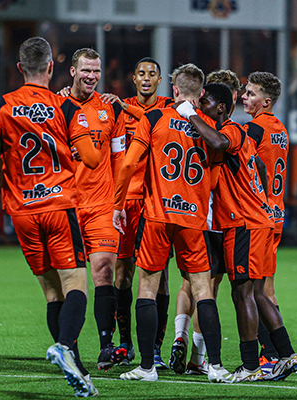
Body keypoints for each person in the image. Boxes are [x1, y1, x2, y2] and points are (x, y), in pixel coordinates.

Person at [0, 37, 100, 397]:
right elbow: (93, 159)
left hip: (22, 212)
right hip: (59, 207)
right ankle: (66, 348)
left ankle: (77, 369)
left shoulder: (0, 106)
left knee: (53, 293)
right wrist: (74, 147)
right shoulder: (65, 107)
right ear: (51, 67)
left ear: (20, 68)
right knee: (76, 286)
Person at [176, 82, 297, 383]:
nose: (200, 106)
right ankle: (286, 355)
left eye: (204, 102)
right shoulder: (249, 134)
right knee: (257, 292)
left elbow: (219, 143)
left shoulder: (232, 130)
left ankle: (249, 365)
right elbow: (257, 165)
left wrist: (188, 114)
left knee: (241, 292)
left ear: (219, 108)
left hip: (243, 223)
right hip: (255, 219)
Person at [113, 64, 231, 383]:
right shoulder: (211, 126)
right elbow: (216, 177)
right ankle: (216, 366)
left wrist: (118, 204)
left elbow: (128, 164)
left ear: (174, 90)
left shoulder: (153, 119)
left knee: (148, 288)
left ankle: (148, 367)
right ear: (201, 93)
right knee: (203, 289)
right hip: (193, 218)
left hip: (157, 214)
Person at [101, 57, 173, 369]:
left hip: (156, 202)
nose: (146, 78)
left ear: (160, 81)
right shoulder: (117, 109)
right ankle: (127, 342)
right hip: (125, 203)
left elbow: (152, 118)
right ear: (134, 78)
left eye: (152, 74)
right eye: (141, 73)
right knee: (123, 273)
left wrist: (124, 107)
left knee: (160, 277)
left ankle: (155, 346)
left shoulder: (169, 108)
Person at [169, 69, 242, 376]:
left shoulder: (185, 120)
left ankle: (179, 337)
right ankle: (199, 358)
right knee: (207, 288)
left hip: (186, 214)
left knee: (188, 284)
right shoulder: (224, 130)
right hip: (215, 221)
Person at [63, 48, 127, 371]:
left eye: (96, 71)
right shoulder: (57, 107)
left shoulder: (108, 108)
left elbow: (118, 157)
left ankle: (106, 346)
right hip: (68, 207)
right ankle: (68, 347)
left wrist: (119, 202)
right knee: (71, 280)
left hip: (102, 205)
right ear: (73, 71)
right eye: (86, 70)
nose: (91, 76)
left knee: (103, 269)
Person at [241, 71, 290, 373]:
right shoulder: (280, 129)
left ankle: (270, 356)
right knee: (267, 289)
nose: (244, 97)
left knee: (253, 290)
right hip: (277, 214)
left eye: (250, 93)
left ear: (266, 101)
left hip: (258, 216)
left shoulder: (254, 130)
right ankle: (276, 354)